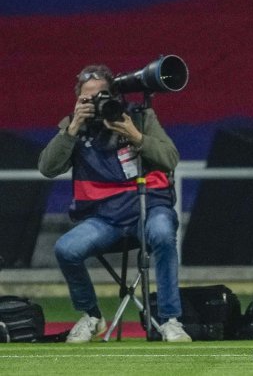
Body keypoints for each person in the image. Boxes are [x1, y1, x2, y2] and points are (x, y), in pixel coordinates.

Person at [38, 64, 191, 343]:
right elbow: (47, 168)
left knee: (162, 234)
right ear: (79, 100)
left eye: (103, 95)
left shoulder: (139, 116)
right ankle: (92, 316)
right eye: (89, 98)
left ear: (115, 94)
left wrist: (136, 136)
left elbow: (170, 158)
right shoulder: (75, 127)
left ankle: (170, 320)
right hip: (105, 219)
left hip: (148, 209)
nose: (98, 102)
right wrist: (71, 129)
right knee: (66, 248)